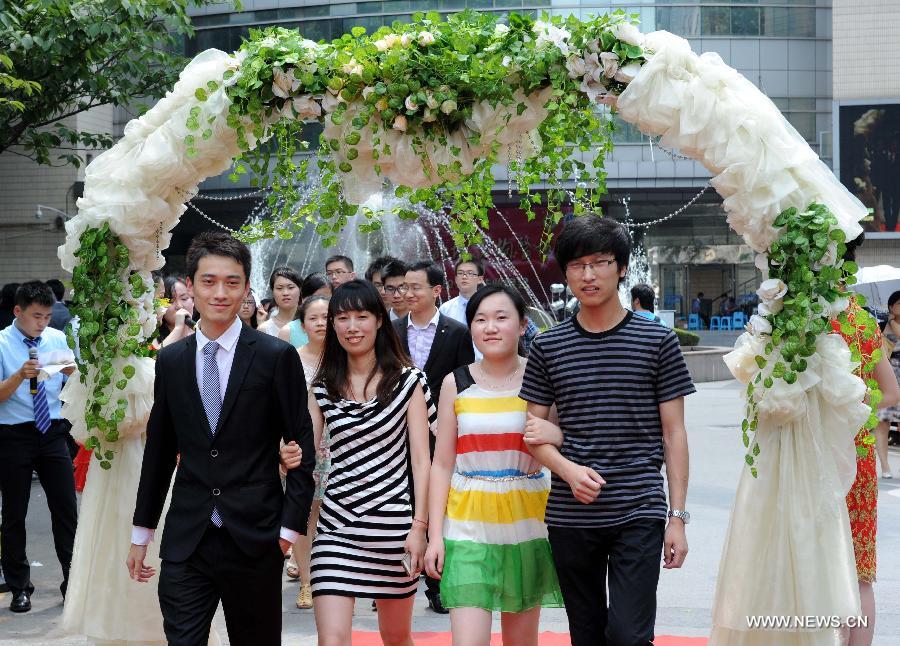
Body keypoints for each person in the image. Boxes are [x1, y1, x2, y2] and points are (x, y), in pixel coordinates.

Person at [127, 232, 316, 645]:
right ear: (190, 287)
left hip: (256, 535)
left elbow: (303, 445)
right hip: (187, 538)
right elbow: (159, 451)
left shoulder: (273, 356)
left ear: (247, 288)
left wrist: (288, 529)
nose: (220, 292)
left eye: (232, 282)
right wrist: (142, 533)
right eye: (208, 281)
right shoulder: (172, 360)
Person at [519, 216, 694, 645]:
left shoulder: (658, 342)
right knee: (587, 633)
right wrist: (568, 471)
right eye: (577, 265)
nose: (589, 274)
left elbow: (675, 435)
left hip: (639, 504)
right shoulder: (548, 345)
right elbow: (531, 432)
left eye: (600, 262)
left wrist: (677, 517)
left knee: (629, 635)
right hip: (571, 510)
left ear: (621, 268)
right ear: (566, 272)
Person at [424, 284, 563, 645]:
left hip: (527, 518)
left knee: (521, 642)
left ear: (522, 325)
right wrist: (434, 534)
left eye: (501, 318)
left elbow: (568, 445)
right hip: (467, 518)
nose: (490, 327)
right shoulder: (456, 382)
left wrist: (557, 435)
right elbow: (441, 465)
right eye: (480, 319)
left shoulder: (541, 378)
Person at [307, 280, 434, 646]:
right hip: (335, 528)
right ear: (332, 325)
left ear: (379, 321)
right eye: (342, 318)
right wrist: (286, 456)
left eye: (361, 316)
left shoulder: (410, 382)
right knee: (331, 640)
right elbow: (305, 450)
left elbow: (422, 462)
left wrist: (420, 528)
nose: (352, 327)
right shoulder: (322, 386)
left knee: (395, 638)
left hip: (393, 531)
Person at [393, 260, 474, 613]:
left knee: (439, 505)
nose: (407, 293)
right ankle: (393, 580)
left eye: (416, 287)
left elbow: (465, 381)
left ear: (437, 290)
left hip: (442, 434)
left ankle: (437, 584)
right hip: (397, 434)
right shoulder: (391, 331)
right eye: (403, 288)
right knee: (404, 503)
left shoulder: (456, 332)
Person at [831, 239, 900, 646]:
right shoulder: (862, 321)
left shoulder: (806, 322)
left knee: (816, 564)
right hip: (856, 456)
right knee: (860, 571)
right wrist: (858, 408)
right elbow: (890, 392)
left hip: (815, 456)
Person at [0, 281, 78, 613]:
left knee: (66, 509)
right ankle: (19, 586)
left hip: (52, 432)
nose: (42, 323)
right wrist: (19, 375)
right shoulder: (2, 343)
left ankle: (72, 581)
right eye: (36, 316)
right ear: (18, 312)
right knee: (14, 513)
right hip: (13, 433)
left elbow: (67, 382)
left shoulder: (56, 338)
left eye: (46, 316)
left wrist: (72, 373)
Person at [282, 295, 330, 609]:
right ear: (303, 324)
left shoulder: (345, 357)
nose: (321, 324)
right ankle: (308, 582)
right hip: (301, 446)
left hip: (340, 447)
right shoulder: (289, 358)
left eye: (327, 317)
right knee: (304, 512)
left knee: (335, 513)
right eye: (313, 318)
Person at [876, 290, 900, 479]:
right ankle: (885, 466)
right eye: (898, 304)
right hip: (887, 379)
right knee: (883, 423)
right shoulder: (881, 326)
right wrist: (889, 323)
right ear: (891, 306)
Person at [279, 272, 332, 348]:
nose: (320, 302)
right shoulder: (287, 332)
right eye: (314, 298)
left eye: (325, 298)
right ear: (303, 299)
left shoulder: (339, 327)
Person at [439, 257, 486, 325]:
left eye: (470, 273)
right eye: (460, 273)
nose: (464, 277)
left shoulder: (489, 306)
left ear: (480, 279)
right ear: (456, 279)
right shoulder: (445, 309)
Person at [258, 266, 302, 338]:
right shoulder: (264, 329)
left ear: (300, 290)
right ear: (273, 292)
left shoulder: (310, 323)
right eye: (279, 288)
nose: (285, 293)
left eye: (290, 287)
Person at [159, 275, 195, 347]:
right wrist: (178, 329)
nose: (179, 306)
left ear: (193, 301)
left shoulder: (203, 332)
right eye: (171, 301)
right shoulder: (152, 334)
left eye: (184, 298)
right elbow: (154, 357)